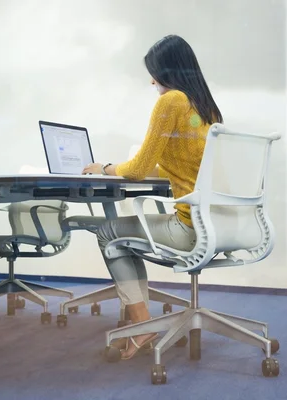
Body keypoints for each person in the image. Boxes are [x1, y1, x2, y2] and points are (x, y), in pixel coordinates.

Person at [82, 34, 223, 360]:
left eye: (155, 72)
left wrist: (105, 167)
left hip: (189, 227)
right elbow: (178, 167)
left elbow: (138, 168)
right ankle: (140, 321)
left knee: (109, 232)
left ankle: (142, 325)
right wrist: (127, 167)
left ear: (170, 72)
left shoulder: (171, 101)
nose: (151, 80)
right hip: (218, 223)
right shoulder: (208, 110)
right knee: (124, 232)